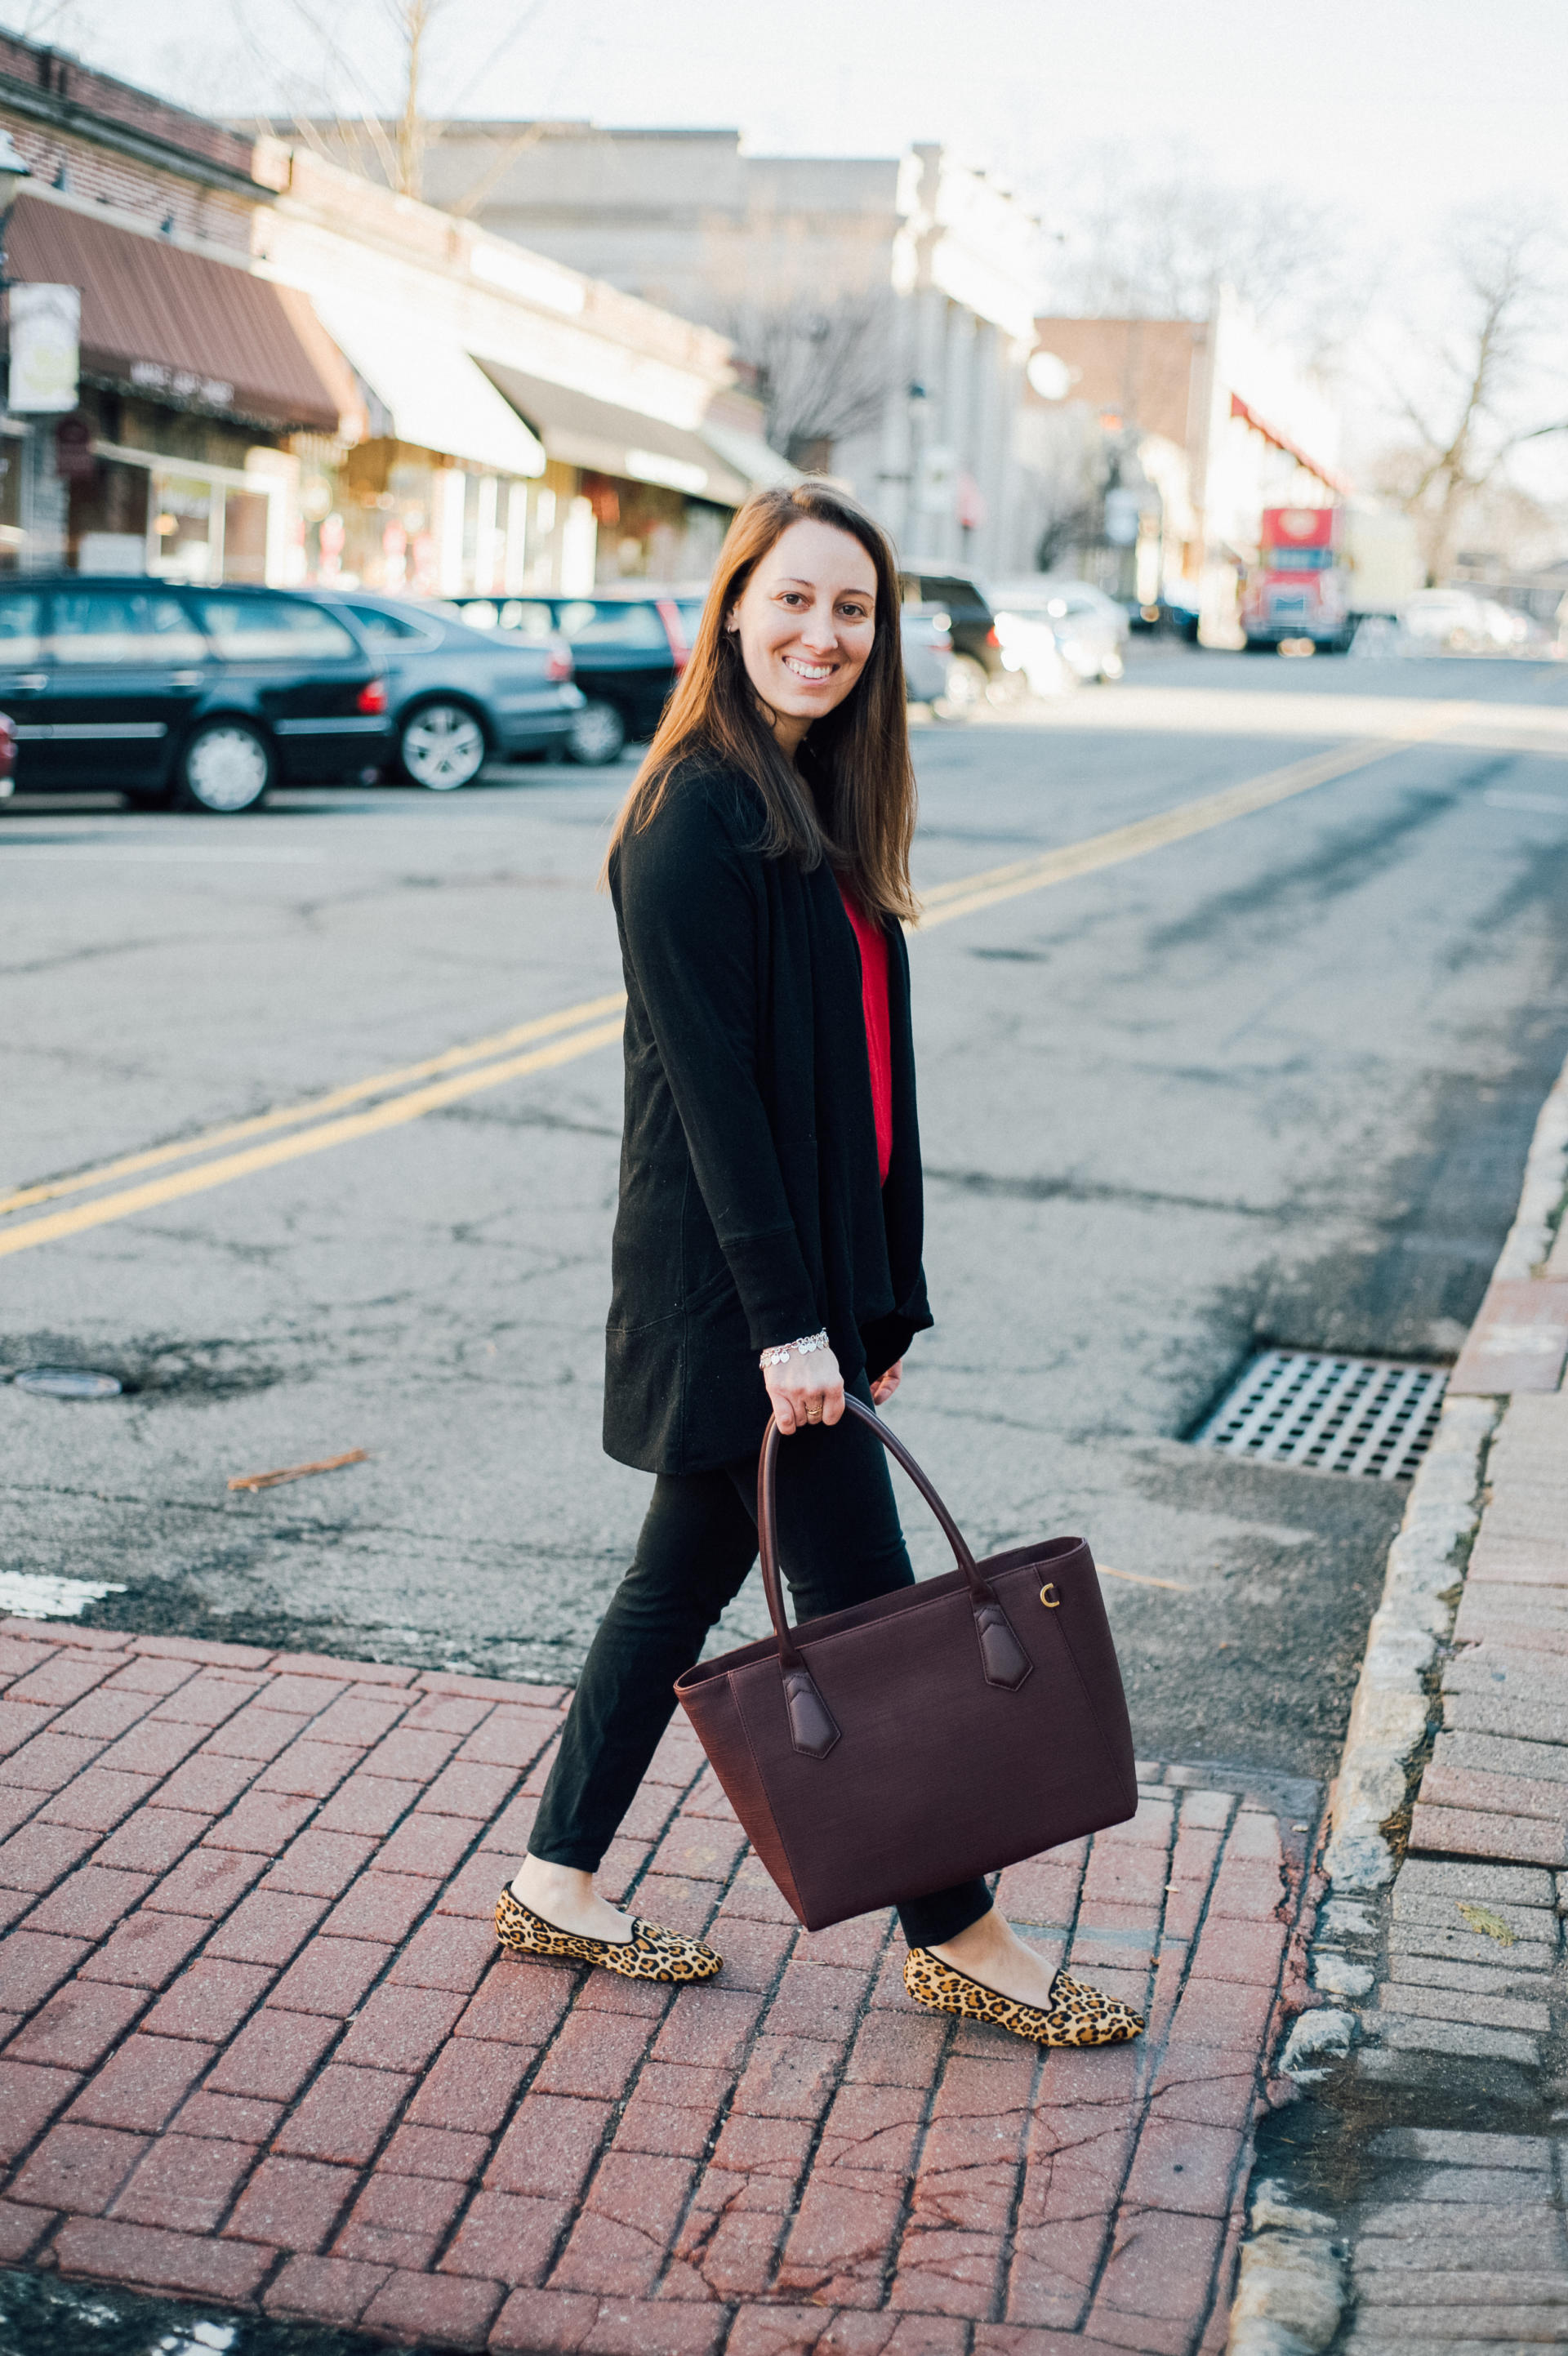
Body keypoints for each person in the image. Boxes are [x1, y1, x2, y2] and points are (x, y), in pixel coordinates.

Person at [497, 483, 1140, 2048]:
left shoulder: (815, 805)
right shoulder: (692, 820)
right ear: (732, 607)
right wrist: (795, 1328)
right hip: (733, 1293)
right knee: (873, 1604)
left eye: (852, 611)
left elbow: (863, 1089)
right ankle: (961, 1932)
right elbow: (720, 1107)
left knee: (677, 1588)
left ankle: (556, 1877)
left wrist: (879, 1298)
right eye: (793, 600)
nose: (821, 635)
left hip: (800, 1294)